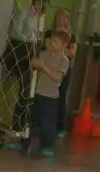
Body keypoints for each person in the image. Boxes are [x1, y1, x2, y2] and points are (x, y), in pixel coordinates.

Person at [6, 30, 70, 158]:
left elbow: (57, 77)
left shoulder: (64, 60)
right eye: (51, 40)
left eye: (55, 42)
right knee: (29, 120)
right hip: (36, 94)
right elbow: (34, 66)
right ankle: (24, 143)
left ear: (64, 45)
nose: (51, 43)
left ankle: (46, 146)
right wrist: (34, 63)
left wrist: (43, 67)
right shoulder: (44, 54)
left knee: (47, 124)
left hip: (50, 97)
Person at [3, 0, 46, 136]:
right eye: (42, 5)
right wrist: (31, 39)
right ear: (37, 2)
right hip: (19, 53)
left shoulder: (37, 19)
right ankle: (17, 124)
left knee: (27, 89)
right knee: (25, 87)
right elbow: (15, 32)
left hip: (29, 54)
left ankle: (22, 123)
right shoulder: (23, 13)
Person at [50, 8, 77, 135]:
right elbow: (49, 48)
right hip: (51, 66)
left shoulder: (71, 36)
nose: (63, 20)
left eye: (65, 17)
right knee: (48, 95)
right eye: (60, 17)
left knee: (61, 95)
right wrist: (63, 50)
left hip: (64, 67)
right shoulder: (51, 33)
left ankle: (59, 126)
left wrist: (59, 50)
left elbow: (72, 52)